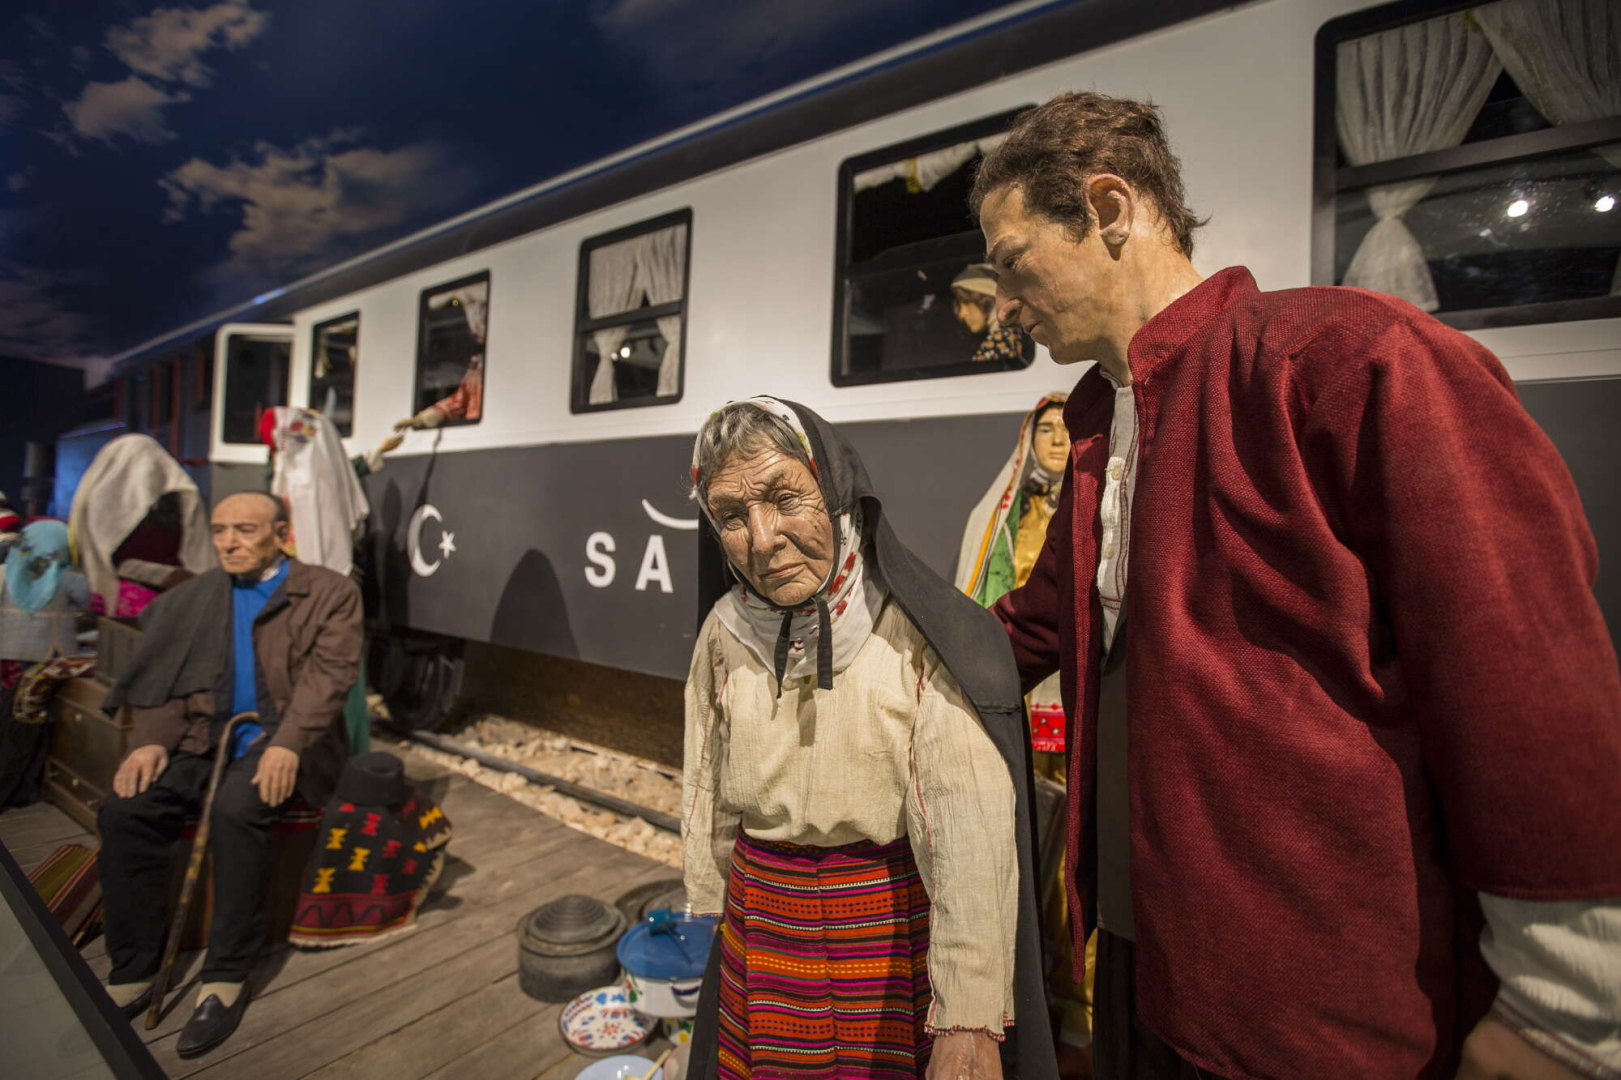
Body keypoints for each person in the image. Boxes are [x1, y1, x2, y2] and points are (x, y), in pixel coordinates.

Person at [972, 90, 1621, 1079]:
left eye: (1014, 262)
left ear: (1108, 209)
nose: (1005, 306)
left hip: (1314, 1003)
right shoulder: (1104, 416)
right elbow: (1031, 628)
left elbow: (1516, 665)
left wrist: (1564, 1004)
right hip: (1152, 961)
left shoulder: (1344, 356)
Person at [681, 397, 1057, 1080]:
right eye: (731, 516)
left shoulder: (916, 633)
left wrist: (967, 1016)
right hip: (762, 923)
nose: (761, 539)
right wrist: (712, 903)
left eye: (784, 500)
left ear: (835, 493)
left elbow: (967, 829)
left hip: (882, 933)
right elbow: (706, 779)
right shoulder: (724, 632)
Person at [97, 491, 361, 1059]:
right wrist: (150, 741)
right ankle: (135, 967)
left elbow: (329, 677)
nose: (228, 542)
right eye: (219, 530)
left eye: (244, 530)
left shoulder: (329, 592)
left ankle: (225, 976)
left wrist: (287, 743)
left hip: (284, 740)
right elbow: (166, 679)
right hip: (202, 738)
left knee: (237, 810)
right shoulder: (197, 596)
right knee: (126, 810)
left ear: (281, 534)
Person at [956, 395, 1096, 1077]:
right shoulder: (1002, 519)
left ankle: (1080, 1012)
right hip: (1021, 718)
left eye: (1067, 431)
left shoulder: (1091, 509)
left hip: (1077, 720)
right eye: (1046, 431)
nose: (1057, 442)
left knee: (1077, 865)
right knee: (1020, 855)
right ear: (1026, 439)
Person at [258, 405, 400, 754]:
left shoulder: (289, 474)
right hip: (324, 581)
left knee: (328, 667)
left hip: (309, 587)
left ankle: (333, 752)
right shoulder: (301, 469)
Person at [69, 434, 213, 618]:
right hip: (169, 592)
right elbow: (194, 550)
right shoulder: (181, 496)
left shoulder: (97, 500)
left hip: (121, 595)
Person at [0, 520, 92, 807]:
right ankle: (24, 786)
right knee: (33, 725)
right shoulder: (69, 578)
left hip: (7, 656)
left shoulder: (7, 573)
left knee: (9, 718)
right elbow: (89, 605)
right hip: (49, 660)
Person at [953, 263, 1027, 364]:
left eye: (965, 302)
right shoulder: (1016, 335)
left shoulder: (1000, 342)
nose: (962, 314)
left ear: (986, 298)